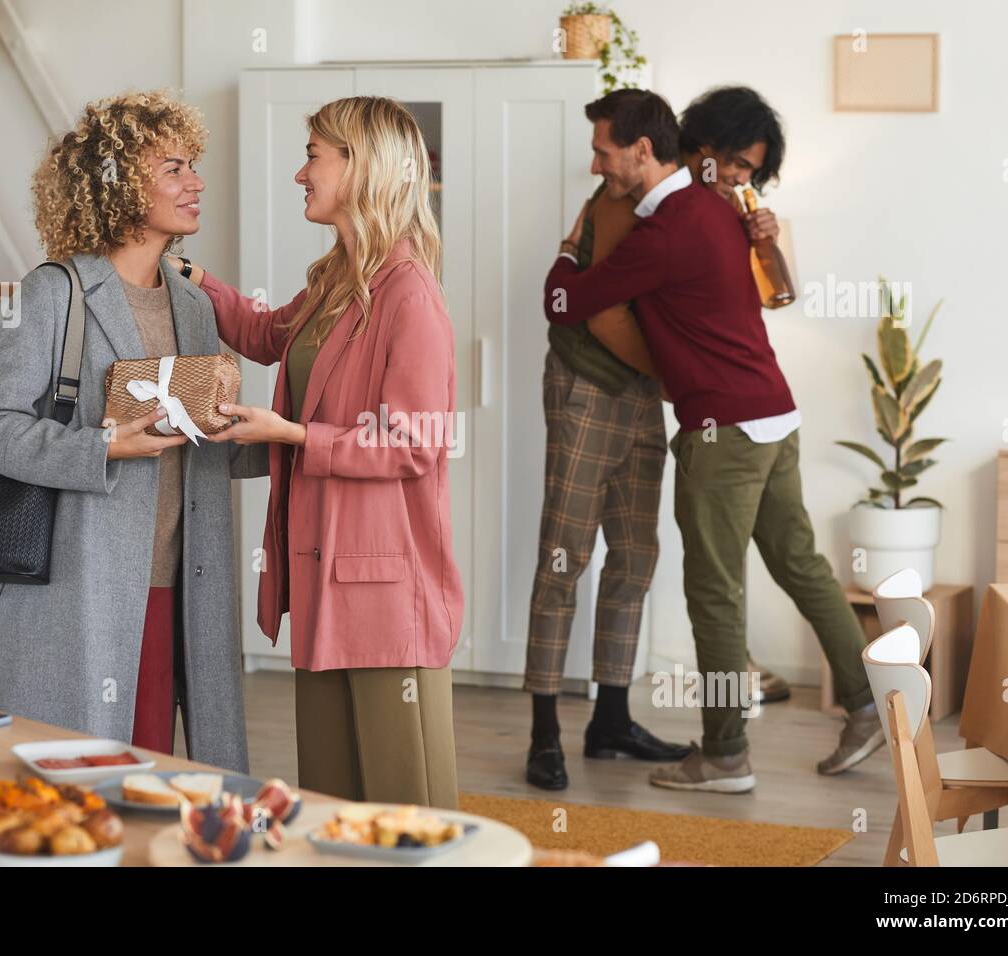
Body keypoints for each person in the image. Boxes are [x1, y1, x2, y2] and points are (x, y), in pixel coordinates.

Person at [544, 89, 883, 793]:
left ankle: (725, 754)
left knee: (715, 594)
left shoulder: (669, 227)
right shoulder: (720, 215)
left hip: (722, 430)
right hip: (775, 414)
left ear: (647, 150)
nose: (734, 178)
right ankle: (870, 703)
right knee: (803, 567)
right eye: (729, 164)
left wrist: (567, 251)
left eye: (603, 151)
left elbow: (567, 303)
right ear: (697, 152)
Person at [170, 96, 463, 809]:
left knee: (408, 814)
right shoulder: (339, 278)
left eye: (314, 156)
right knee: (333, 805)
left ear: (360, 168)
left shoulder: (408, 295)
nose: (301, 173)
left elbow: (414, 442)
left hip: (388, 594)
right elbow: (270, 335)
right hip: (328, 577)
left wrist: (294, 436)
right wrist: (194, 279)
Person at [0, 90, 265, 770]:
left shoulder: (193, 306)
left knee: (154, 777)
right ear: (119, 185)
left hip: (181, 588)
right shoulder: (53, 292)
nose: (197, 183)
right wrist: (104, 445)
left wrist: (263, 434)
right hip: (83, 591)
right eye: (175, 168)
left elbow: (194, 445)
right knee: (81, 780)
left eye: (194, 167)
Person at [523, 156, 690, 794]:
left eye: (602, 149)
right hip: (587, 389)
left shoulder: (665, 206)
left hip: (642, 394)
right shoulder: (613, 197)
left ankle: (611, 719)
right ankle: (543, 733)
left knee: (635, 556)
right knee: (563, 559)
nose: (594, 162)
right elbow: (577, 304)